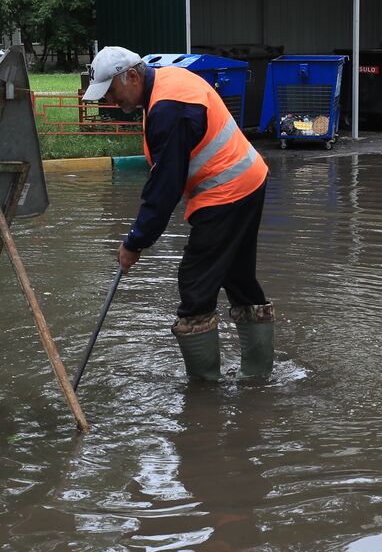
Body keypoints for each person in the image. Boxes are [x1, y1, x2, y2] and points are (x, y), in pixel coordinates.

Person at [81, 46, 275, 381]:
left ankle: (205, 392)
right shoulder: (164, 84)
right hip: (248, 180)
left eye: (112, 91)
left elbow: (165, 187)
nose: (112, 101)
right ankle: (258, 378)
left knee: (195, 284)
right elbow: (164, 176)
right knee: (238, 276)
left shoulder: (169, 106)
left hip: (225, 191)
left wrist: (135, 242)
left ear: (131, 76)